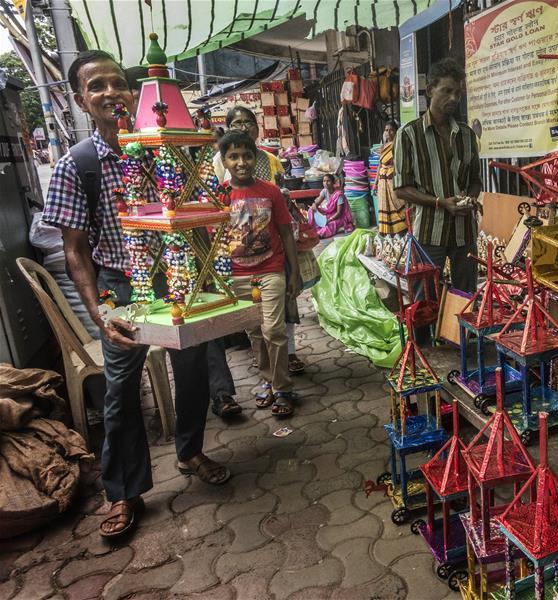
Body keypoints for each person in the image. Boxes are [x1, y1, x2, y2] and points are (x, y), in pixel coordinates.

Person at [43, 50, 230, 539]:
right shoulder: (76, 166)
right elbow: (76, 253)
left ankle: (190, 451)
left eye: (117, 84)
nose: (110, 93)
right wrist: (102, 313)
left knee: (192, 369)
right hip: (121, 288)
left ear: (133, 93)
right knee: (121, 391)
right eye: (97, 87)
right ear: (82, 100)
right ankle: (124, 491)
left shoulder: (158, 148)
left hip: (176, 279)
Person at [219, 130, 299, 418]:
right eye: (233, 156)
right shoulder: (221, 196)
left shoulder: (271, 191)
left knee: (274, 330)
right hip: (238, 275)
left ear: (255, 157)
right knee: (254, 331)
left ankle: (283, 388)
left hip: (271, 270)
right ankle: (266, 380)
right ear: (225, 161)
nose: (241, 162)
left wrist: (294, 272)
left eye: (247, 155)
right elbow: (215, 237)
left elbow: (287, 233)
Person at [394, 58, 482, 297]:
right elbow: (401, 188)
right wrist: (440, 203)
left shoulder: (466, 135)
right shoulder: (409, 135)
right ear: (430, 90)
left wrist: (469, 199)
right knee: (425, 300)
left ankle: (456, 337)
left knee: (465, 299)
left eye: (457, 93)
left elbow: (475, 180)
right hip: (429, 233)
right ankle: (427, 337)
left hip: (465, 233)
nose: (454, 98)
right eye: (446, 91)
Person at [213, 107, 285, 185]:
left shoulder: (271, 159)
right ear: (228, 131)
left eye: (249, 123)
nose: (244, 129)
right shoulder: (220, 159)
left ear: (257, 130)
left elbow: (281, 187)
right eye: (238, 124)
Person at [376, 120, 406, 235]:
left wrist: (393, 172)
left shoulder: (398, 145)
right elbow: (380, 165)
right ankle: (388, 231)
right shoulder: (383, 147)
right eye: (386, 130)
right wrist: (375, 183)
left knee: (396, 203)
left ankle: (401, 228)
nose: (388, 133)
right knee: (385, 205)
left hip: (392, 179)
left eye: (391, 130)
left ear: (396, 131)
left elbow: (400, 163)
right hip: (383, 181)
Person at [310, 173, 354, 238]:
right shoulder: (324, 191)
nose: (326, 183)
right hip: (330, 214)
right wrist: (314, 205)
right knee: (311, 210)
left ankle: (320, 234)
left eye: (328, 181)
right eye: (324, 181)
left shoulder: (339, 195)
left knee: (329, 225)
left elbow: (339, 213)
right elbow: (317, 203)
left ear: (333, 182)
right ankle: (312, 229)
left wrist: (329, 220)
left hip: (339, 217)